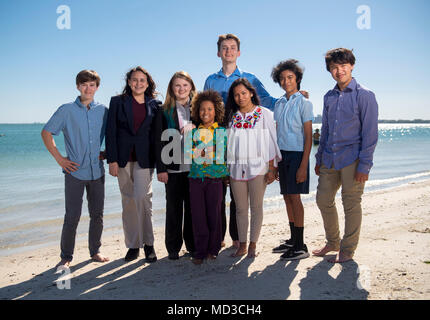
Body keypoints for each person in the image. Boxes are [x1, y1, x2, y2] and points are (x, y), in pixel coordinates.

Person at [204, 33, 278, 250]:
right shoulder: (211, 79)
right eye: (224, 48)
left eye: (232, 47)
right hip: (216, 140)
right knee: (218, 192)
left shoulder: (250, 78)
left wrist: (290, 96)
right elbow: (203, 108)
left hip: (243, 143)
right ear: (219, 53)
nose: (228, 51)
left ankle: (240, 240)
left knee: (241, 200)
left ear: (239, 52)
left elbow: (268, 101)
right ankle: (218, 237)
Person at [313, 48, 378, 263]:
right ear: (329, 70)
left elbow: (370, 133)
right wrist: (319, 157)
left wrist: (365, 166)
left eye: (343, 66)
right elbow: (326, 129)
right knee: (323, 199)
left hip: (354, 158)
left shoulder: (365, 95)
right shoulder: (329, 97)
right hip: (330, 157)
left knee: (350, 203)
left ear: (351, 66)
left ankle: (347, 249)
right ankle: (333, 242)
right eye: (334, 67)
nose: (339, 71)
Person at [41, 69, 109, 268]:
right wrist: (60, 159)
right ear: (78, 86)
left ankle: (95, 251)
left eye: (92, 85)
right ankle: (66, 256)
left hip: (97, 171)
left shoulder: (104, 111)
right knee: (72, 216)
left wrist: (106, 153)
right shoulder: (66, 110)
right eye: (84, 84)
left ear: (97, 87)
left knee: (97, 214)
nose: (88, 88)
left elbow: (111, 136)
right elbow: (46, 133)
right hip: (74, 172)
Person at [105, 66, 162, 263]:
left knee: (143, 199)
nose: (138, 83)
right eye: (135, 80)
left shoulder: (155, 104)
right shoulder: (117, 102)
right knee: (128, 201)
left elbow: (156, 136)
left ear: (148, 83)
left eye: (142, 80)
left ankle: (149, 244)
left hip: (145, 159)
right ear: (129, 82)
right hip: (122, 158)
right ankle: (133, 245)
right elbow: (110, 132)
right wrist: (111, 160)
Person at [226, 78, 281, 258]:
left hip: (259, 167)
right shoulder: (231, 117)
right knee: (240, 208)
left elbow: (272, 141)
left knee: (256, 207)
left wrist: (272, 168)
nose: (240, 97)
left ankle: (252, 245)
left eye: (243, 93)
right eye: (236, 95)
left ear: (251, 93)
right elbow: (226, 145)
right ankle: (241, 245)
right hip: (235, 168)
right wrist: (225, 169)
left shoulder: (264, 113)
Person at [271, 59, 314, 260]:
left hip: (298, 155)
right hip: (282, 155)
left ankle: (301, 245)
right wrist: (275, 162)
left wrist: (304, 165)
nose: (286, 81)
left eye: (290, 77)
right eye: (282, 78)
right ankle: (292, 239)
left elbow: (308, 136)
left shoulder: (304, 103)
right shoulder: (278, 104)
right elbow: (276, 132)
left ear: (297, 79)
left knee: (295, 198)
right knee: (287, 196)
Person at [154, 71, 196, 260]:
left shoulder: (199, 109)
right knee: (173, 208)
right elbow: (158, 141)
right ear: (172, 88)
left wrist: (193, 125)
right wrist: (161, 169)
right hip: (172, 167)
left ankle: (192, 245)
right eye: (177, 85)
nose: (181, 89)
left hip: (195, 167)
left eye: (185, 85)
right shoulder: (163, 111)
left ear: (191, 87)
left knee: (192, 208)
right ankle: (172, 248)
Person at [187, 90, 229, 265]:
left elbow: (219, 155)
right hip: (196, 179)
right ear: (197, 111)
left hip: (215, 179)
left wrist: (201, 151)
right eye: (202, 109)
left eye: (210, 109)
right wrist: (203, 151)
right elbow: (188, 153)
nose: (206, 113)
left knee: (214, 214)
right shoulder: (192, 131)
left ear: (216, 111)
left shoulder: (221, 131)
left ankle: (213, 249)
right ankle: (200, 250)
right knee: (198, 216)